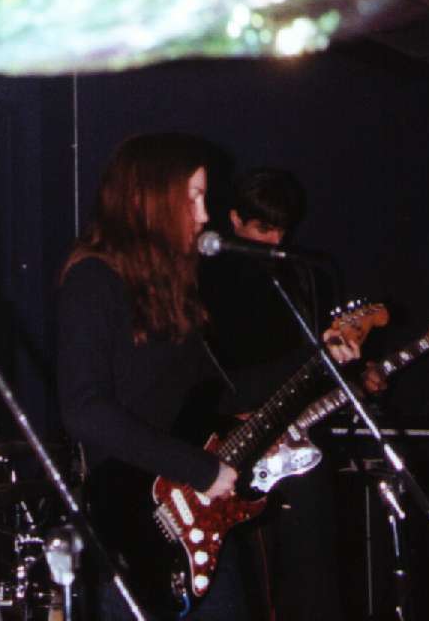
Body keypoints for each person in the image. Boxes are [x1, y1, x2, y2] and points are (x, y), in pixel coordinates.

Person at [56, 137, 358, 621]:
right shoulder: (93, 279)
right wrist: (199, 468)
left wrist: (317, 359)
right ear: (151, 201)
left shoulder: (175, 290)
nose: (203, 215)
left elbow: (223, 393)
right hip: (131, 523)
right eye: (193, 198)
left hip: (197, 516)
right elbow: (84, 409)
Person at [199, 167, 347, 621]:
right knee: (253, 582)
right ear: (234, 220)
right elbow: (203, 376)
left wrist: (353, 377)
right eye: (263, 228)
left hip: (296, 441)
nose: (276, 240)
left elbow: (308, 369)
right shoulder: (207, 278)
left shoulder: (298, 277)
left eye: (282, 229)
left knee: (314, 577)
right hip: (235, 446)